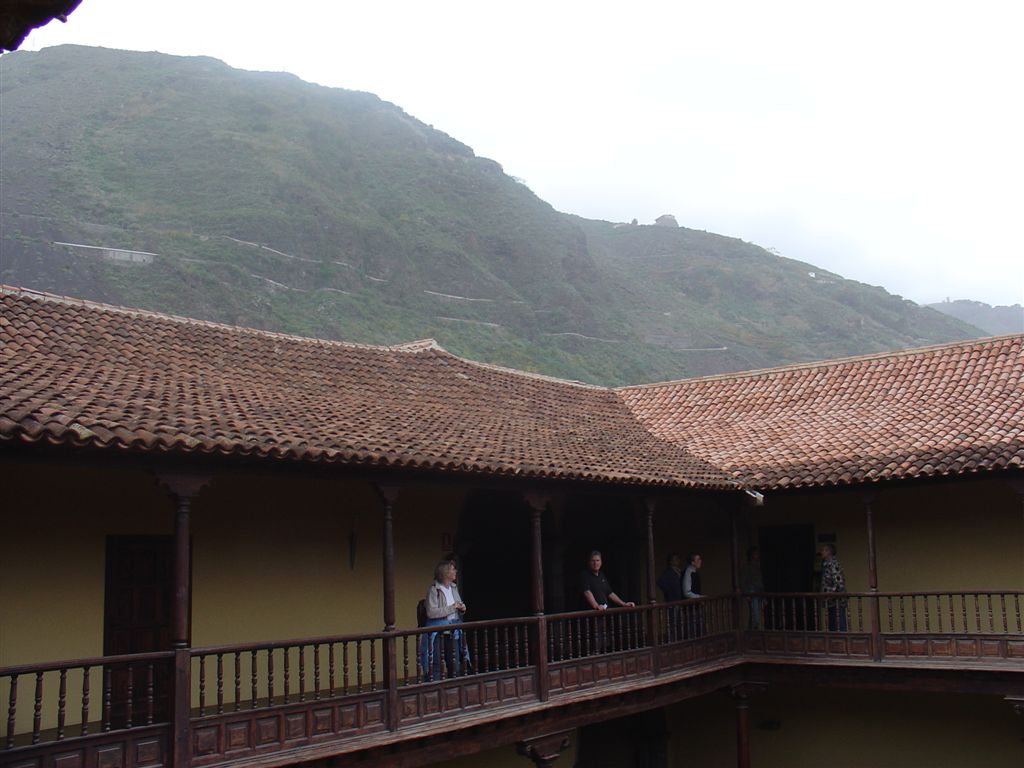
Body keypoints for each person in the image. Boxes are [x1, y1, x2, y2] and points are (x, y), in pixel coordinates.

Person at [420, 560, 468, 680]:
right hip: (437, 633)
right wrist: (452, 608)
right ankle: (435, 690)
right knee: (436, 665)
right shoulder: (434, 590)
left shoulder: (453, 588)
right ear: (445, 572)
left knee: (455, 665)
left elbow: (458, 605)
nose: (455, 571)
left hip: (453, 631)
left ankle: (454, 689)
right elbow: (431, 612)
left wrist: (462, 608)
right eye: (453, 569)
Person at [580, 551, 634, 654]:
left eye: (597, 560)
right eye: (593, 561)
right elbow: (587, 592)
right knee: (594, 642)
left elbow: (610, 593)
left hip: (604, 614)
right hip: (592, 615)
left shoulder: (602, 575)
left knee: (605, 642)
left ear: (601, 562)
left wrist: (623, 603)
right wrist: (596, 606)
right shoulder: (585, 575)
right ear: (589, 562)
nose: (595, 563)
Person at [820, 543, 848, 632]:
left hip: (837, 602)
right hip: (830, 602)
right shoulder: (826, 565)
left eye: (823, 550)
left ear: (829, 552)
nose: (821, 552)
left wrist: (829, 593)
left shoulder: (834, 565)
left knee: (840, 627)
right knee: (832, 628)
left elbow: (839, 584)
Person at [657, 552, 684, 639]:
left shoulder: (679, 571)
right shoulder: (668, 572)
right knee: (673, 621)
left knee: (680, 621)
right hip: (672, 600)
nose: (677, 561)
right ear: (670, 562)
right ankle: (672, 639)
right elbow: (660, 582)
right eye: (675, 559)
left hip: (680, 600)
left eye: (678, 559)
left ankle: (680, 638)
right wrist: (669, 592)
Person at [742, 547, 765, 629]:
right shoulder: (747, 567)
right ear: (751, 555)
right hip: (752, 591)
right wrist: (746, 593)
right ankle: (753, 630)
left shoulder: (757, 566)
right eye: (755, 554)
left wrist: (763, 595)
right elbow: (743, 580)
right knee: (755, 613)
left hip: (759, 591)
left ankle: (754, 629)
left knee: (757, 612)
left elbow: (760, 581)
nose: (757, 555)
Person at [682, 553, 704, 637]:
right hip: (691, 607)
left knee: (698, 627)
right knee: (692, 628)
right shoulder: (688, 573)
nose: (700, 561)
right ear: (692, 562)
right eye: (698, 560)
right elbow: (686, 592)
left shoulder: (694, 572)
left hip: (696, 605)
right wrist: (699, 597)